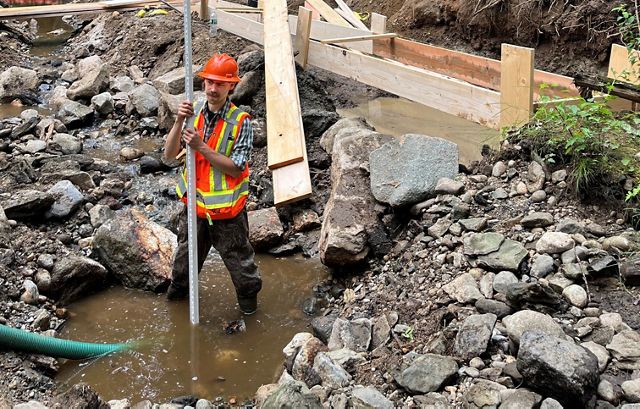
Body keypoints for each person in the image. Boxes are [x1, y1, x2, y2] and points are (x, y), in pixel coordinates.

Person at [163, 53, 262, 315]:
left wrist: (200, 147)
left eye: (220, 83)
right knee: (183, 266)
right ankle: (175, 310)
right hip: (194, 209)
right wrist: (177, 122)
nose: (213, 89)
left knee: (242, 269)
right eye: (209, 82)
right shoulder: (192, 115)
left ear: (231, 86)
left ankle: (250, 313)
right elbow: (169, 155)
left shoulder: (241, 122)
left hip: (228, 214)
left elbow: (235, 167)